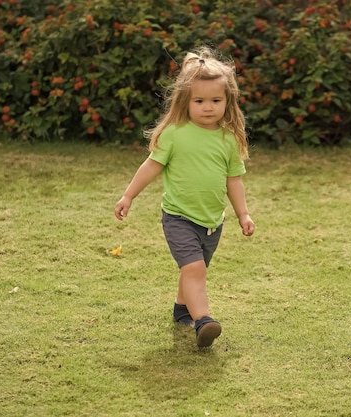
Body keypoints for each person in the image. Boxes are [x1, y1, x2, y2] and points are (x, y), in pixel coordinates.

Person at [114, 47, 255, 348]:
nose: (208, 107)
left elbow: (234, 180)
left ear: (228, 101)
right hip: (179, 216)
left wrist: (243, 213)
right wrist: (129, 195)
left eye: (216, 101)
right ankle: (203, 321)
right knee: (194, 269)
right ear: (185, 101)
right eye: (199, 101)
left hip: (212, 221)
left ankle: (182, 311)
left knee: (194, 268)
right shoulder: (176, 134)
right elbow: (150, 166)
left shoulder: (228, 139)